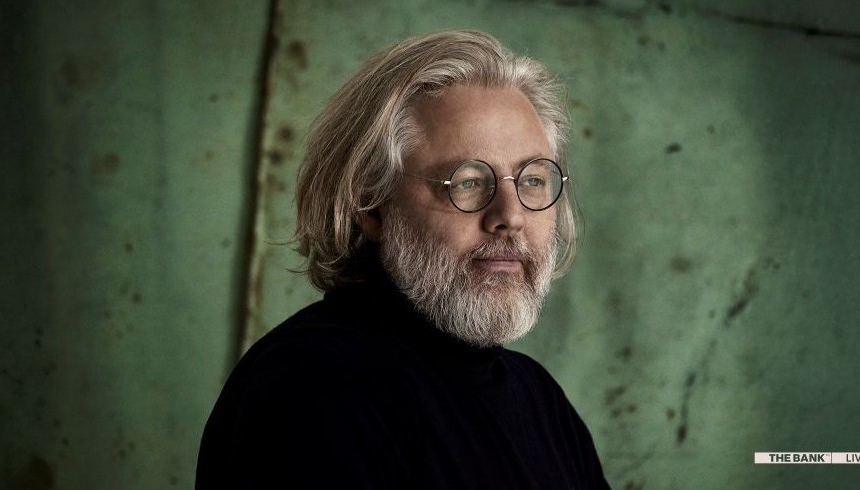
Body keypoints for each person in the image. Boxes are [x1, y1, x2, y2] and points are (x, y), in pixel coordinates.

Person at [196, 29, 611, 489]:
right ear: (371, 205)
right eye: (468, 182)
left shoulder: (538, 399)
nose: (510, 216)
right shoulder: (313, 388)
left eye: (533, 180)